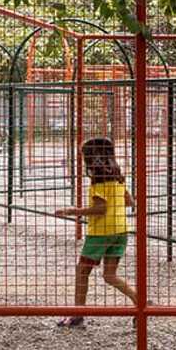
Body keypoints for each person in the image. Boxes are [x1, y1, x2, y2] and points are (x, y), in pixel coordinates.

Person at [54, 137, 138, 328]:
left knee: (82, 271)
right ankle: (140, 302)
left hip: (101, 232)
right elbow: (130, 202)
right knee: (110, 275)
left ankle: (77, 314)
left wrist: (72, 211)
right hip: (121, 231)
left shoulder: (98, 182)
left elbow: (100, 209)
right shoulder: (119, 178)